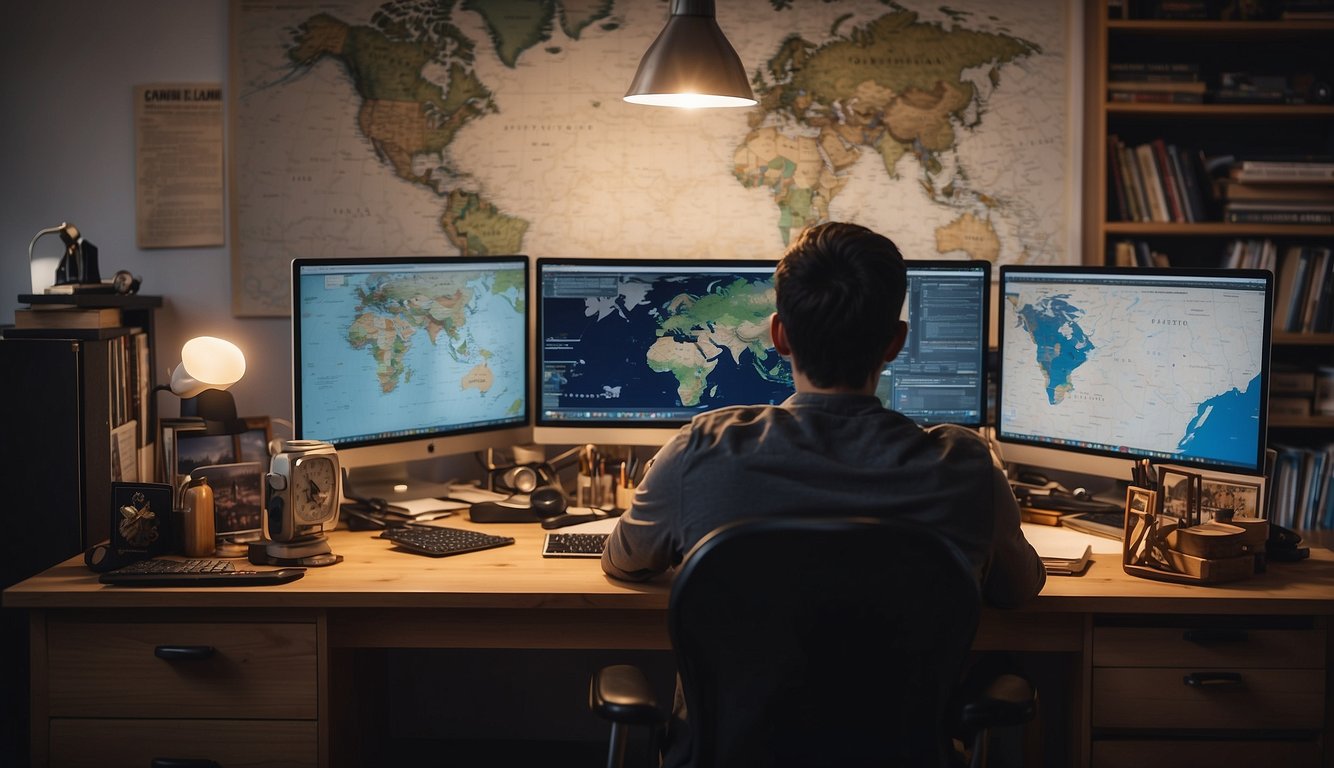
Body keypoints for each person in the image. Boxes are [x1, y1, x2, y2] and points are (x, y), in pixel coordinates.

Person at [600, 221, 1046, 762]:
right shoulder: (965, 465)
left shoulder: (701, 451)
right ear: (895, 343)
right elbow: (1019, 589)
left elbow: (624, 562)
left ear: (779, 335)